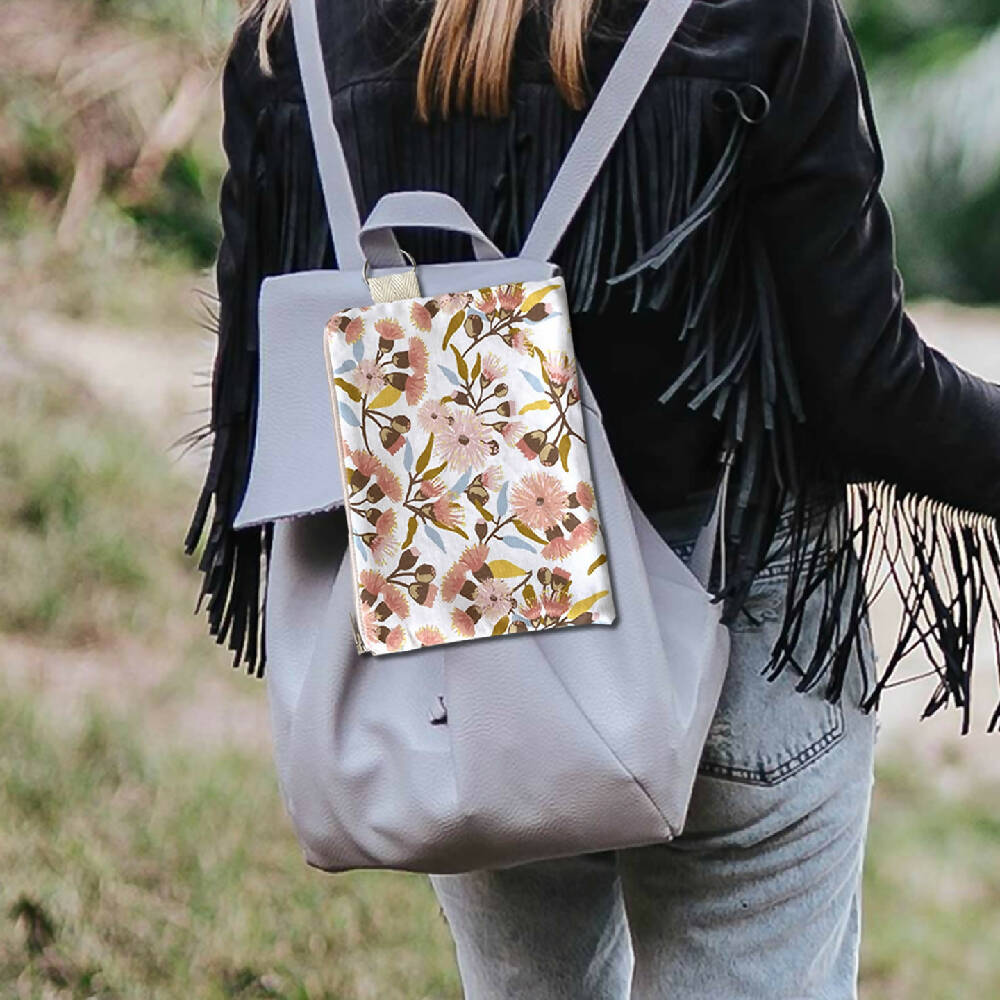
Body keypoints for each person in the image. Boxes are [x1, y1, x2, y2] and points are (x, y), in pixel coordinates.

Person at [186, 0, 1000, 995]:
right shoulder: (751, 19)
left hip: (473, 622)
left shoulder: (296, 38)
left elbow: (255, 413)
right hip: (741, 628)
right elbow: (866, 396)